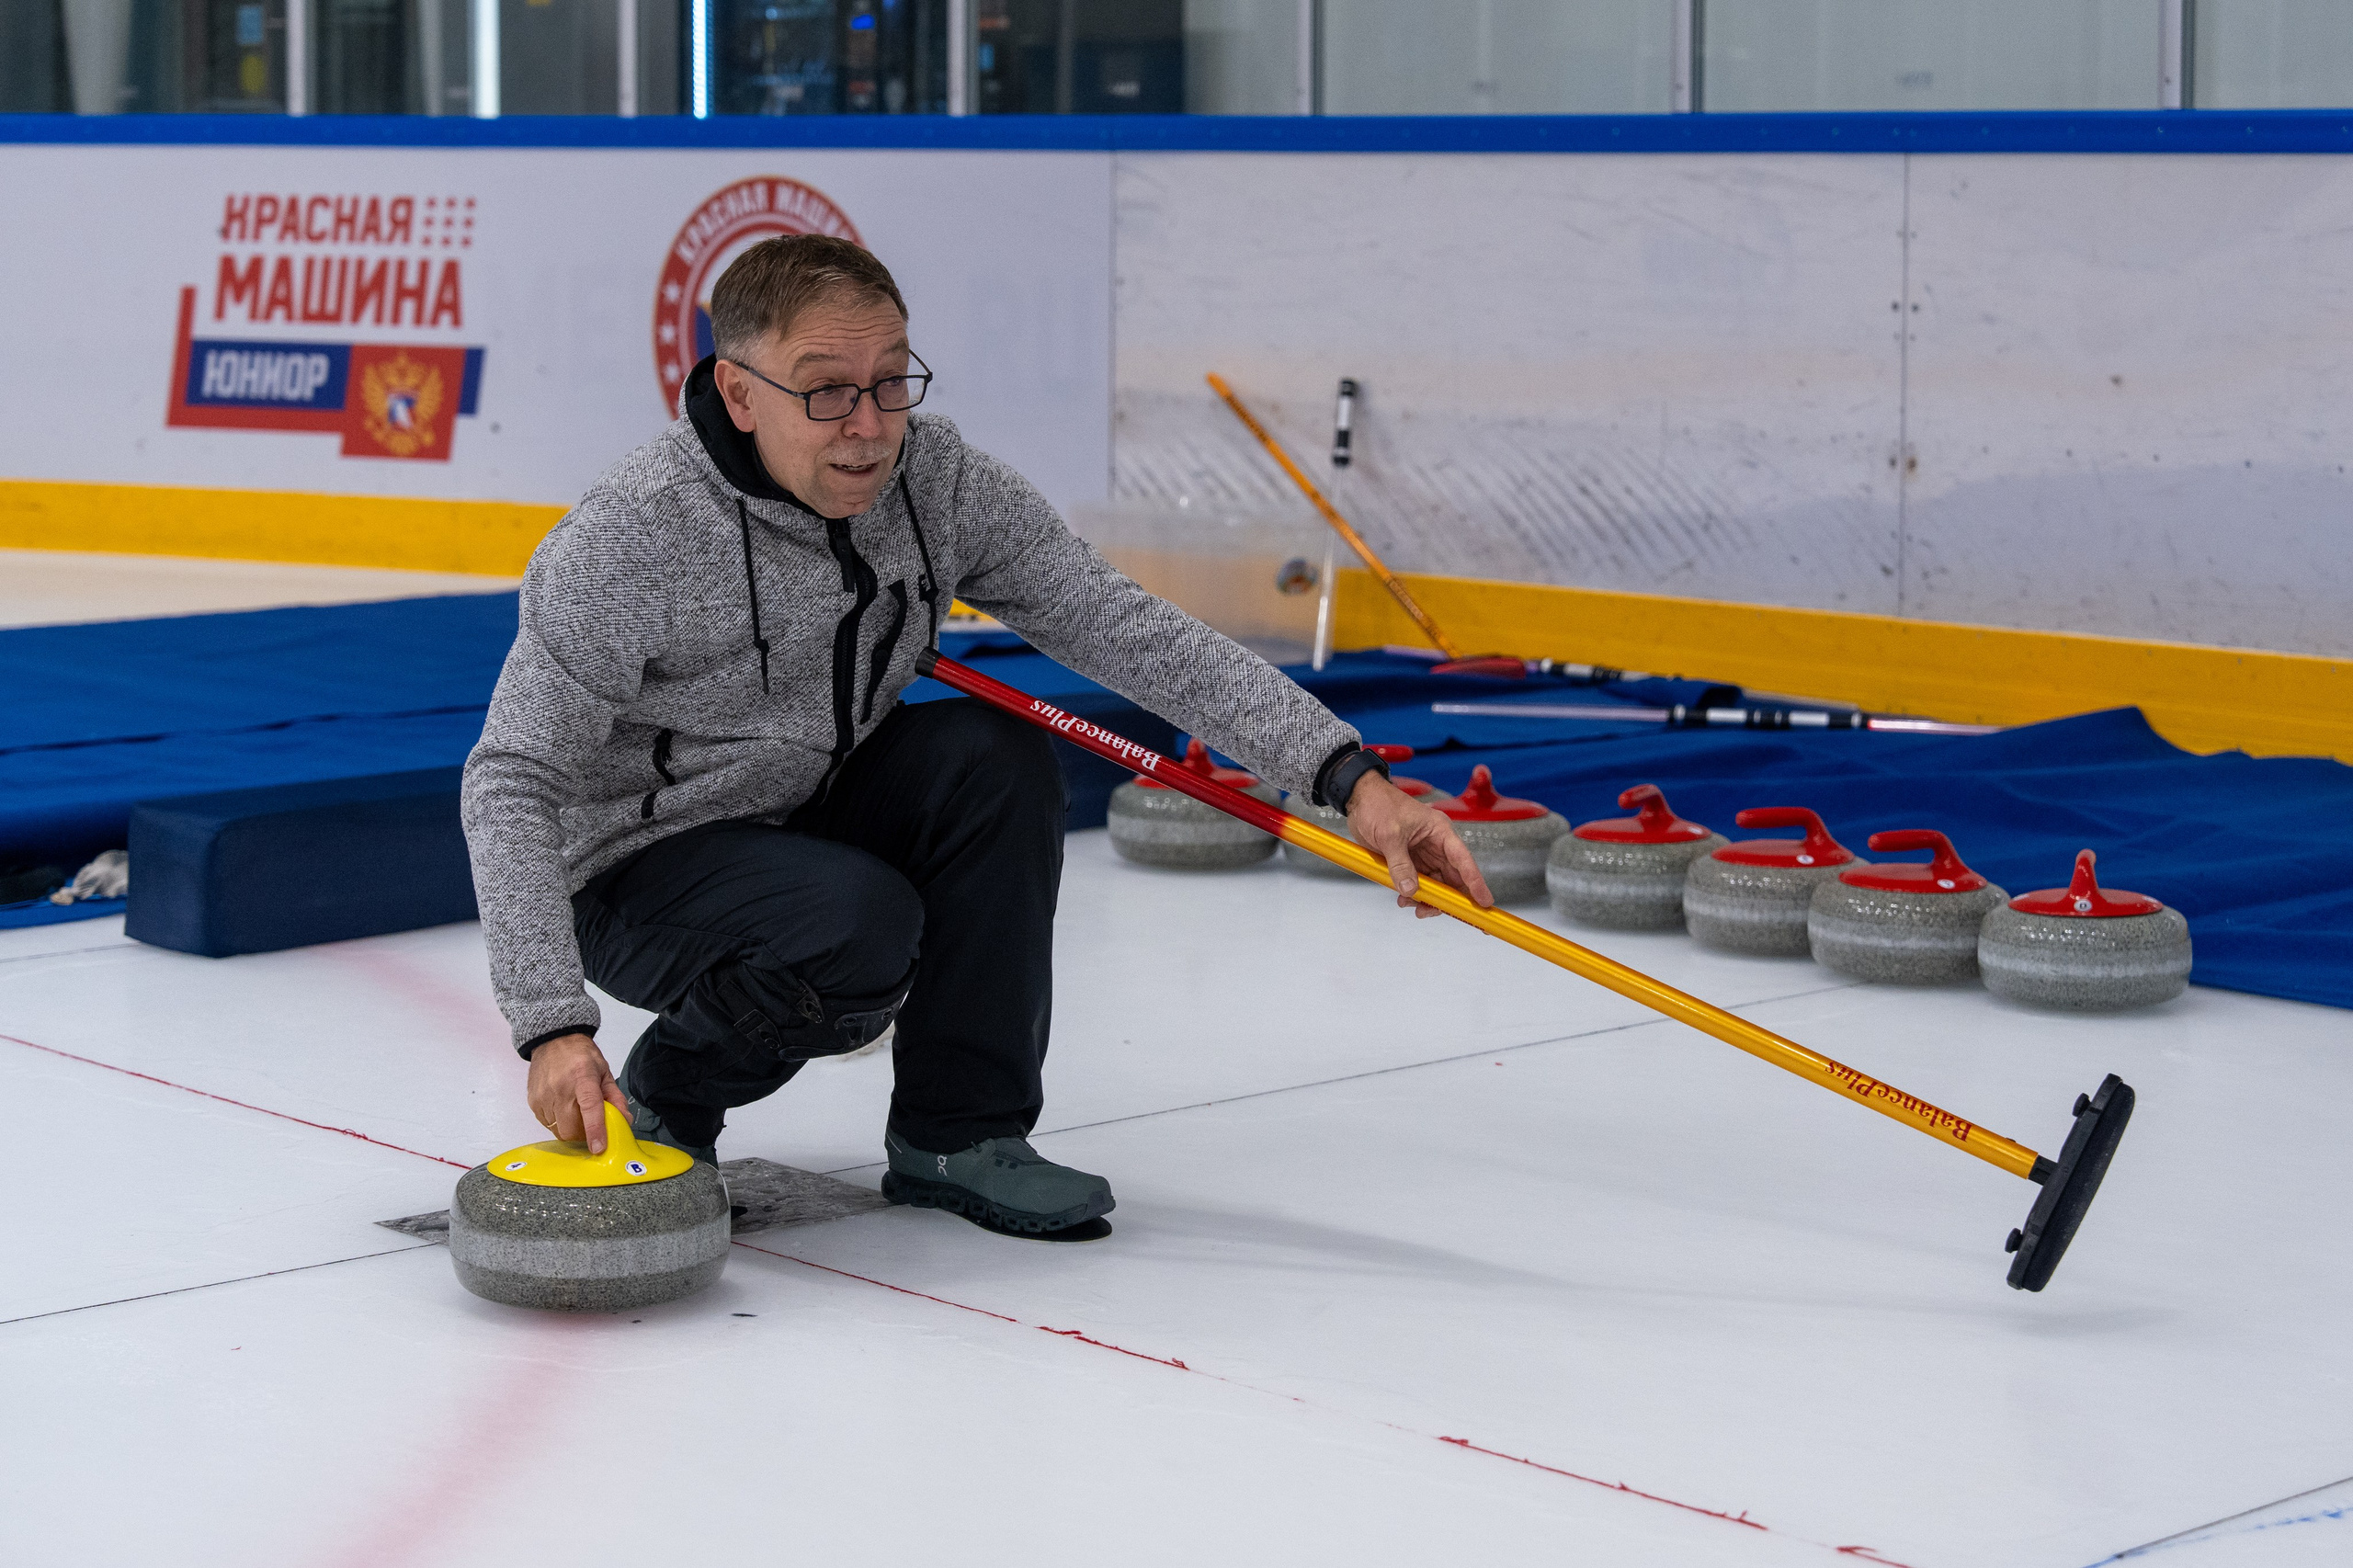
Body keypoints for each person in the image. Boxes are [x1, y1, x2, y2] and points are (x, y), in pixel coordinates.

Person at [460, 234, 1491, 1238]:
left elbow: (1123, 626)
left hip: (809, 807)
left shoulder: (937, 483)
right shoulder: (635, 535)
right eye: (826, 392)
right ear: (738, 394)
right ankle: (672, 1095)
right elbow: (510, 777)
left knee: (993, 760)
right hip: (640, 864)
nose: (869, 427)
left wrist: (1350, 778)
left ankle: (958, 1134)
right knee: (857, 923)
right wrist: (552, 1022)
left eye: (891, 382)